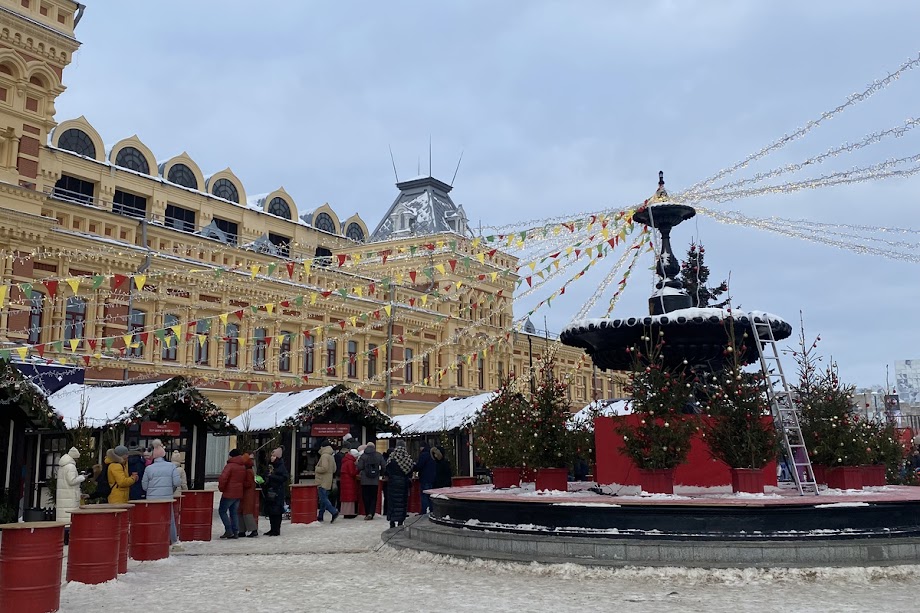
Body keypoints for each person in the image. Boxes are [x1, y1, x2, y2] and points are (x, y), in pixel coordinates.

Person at [142, 444, 181, 544]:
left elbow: (144, 486)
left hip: (152, 499)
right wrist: (171, 489)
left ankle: (154, 540)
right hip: (167, 498)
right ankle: (172, 540)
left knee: (153, 520)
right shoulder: (171, 466)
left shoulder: (148, 469)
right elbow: (177, 482)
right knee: (170, 520)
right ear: (163, 455)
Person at [217, 448, 247, 539]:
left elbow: (223, 478)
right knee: (234, 512)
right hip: (238, 493)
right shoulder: (242, 466)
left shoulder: (230, 466)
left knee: (222, 511)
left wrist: (221, 488)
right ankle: (236, 531)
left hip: (229, 492)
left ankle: (229, 530)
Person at [385, 441, 414, 528]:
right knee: (402, 503)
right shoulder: (408, 459)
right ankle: (400, 521)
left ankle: (392, 521)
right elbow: (410, 472)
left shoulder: (391, 458)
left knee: (392, 503)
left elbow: (387, 471)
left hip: (392, 484)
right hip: (403, 484)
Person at [55, 446, 85, 524]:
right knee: (70, 519)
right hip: (70, 496)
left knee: (63, 517)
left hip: (64, 496)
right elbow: (72, 481)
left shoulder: (62, 466)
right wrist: (82, 477)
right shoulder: (71, 466)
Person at [356, 442, 385, 520]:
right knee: (373, 497)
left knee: (365, 497)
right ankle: (371, 513)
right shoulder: (378, 455)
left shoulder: (363, 456)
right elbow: (384, 466)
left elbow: (359, 467)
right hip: (375, 480)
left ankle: (367, 512)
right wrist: (381, 474)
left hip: (364, 480)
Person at [264, 447, 288, 536]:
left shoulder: (281, 466)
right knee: (271, 511)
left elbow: (284, 478)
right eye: (271, 455)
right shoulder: (271, 466)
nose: (272, 457)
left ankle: (276, 530)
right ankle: (272, 528)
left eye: (274, 456)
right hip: (271, 491)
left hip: (278, 492)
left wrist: (272, 476)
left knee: (276, 511)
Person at [314, 444, 339, 523]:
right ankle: (320, 516)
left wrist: (316, 468)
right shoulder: (331, 456)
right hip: (328, 480)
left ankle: (333, 511)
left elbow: (324, 468)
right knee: (323, 499)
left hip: (322, 480)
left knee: (323, 498)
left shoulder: (324, 456)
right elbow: (334, 469)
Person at [238, 453, 258, 538]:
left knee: (247, 512)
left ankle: (253, 530)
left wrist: (241, 483)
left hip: (247, 494)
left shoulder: (248, 471)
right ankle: (242, 530)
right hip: (246, 494)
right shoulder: (249, 470)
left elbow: (248, 483)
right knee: (242, 512)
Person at [416, 442, 436, 514]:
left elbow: (419, 466)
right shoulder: (431, 454)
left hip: (424, 478)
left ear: (422, 447)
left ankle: (423, 511)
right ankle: (432, 510)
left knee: (424, 495)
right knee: (430, 495)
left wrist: (414, 467)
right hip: (432, 478)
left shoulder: (423, 455)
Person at [339, 448, 359, 518]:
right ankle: (349, 513)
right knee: (350, 498)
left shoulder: (345, 460)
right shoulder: (350, 462)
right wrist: (357, 470)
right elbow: (352, 473)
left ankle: (345, 512)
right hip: (350, 482)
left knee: (345, 498)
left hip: (345, 481)